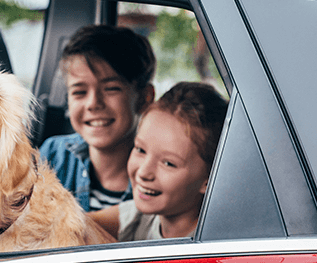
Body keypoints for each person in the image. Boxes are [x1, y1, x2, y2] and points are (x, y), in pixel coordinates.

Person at [88, 82, 227, 240]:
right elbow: (75, 224)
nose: (143, 172)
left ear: (210, 180)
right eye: (140, 150)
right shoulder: (140, 216)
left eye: (168, 163)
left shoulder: (213, 244)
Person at [39, 25, 156, 212]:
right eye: (79, 92)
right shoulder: (53, 155)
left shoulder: (159, 178)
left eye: (111, 89)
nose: (93, 103)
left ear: (144, 98)